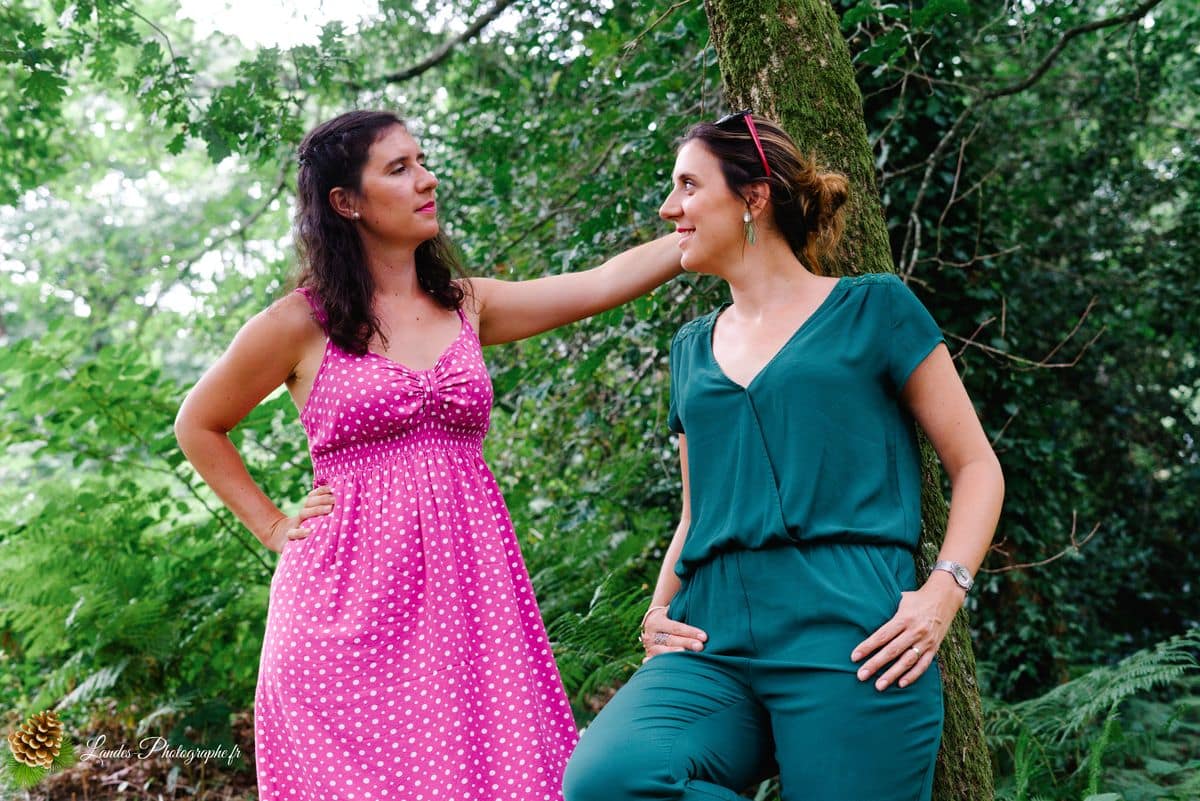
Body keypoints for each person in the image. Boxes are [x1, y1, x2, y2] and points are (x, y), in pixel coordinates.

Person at [174, 109, 683, 801]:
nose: (426, 178)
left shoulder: (466, 305)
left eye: (421, 160)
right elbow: (199, 424)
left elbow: (598, 283)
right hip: (341, 616)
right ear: (345, 203)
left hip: (469, 607)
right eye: (399, 168)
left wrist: (699, 227)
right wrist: (272, 525)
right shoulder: (300, 321)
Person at [562, 112, 1004, 801]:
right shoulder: (690, 349)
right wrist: (656, 613)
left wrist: (944, 592)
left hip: (855, 634)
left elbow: (976, 465)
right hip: (711, 638)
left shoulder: (875, 309)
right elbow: (695, 511)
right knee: (608, 779)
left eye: (687, 184)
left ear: (753, 197)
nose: (667, 207)